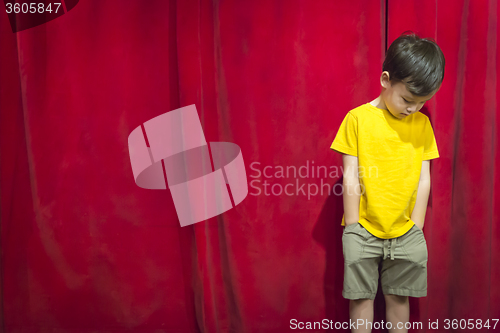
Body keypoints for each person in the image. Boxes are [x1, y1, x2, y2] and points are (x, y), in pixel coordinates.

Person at [330, 31, 445, 333]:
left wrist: (416, 226)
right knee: (361, 296)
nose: (413, 109)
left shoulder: (421, 124)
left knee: (398, 296)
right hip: (364, 229)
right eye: (408, 99)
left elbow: (424, 177)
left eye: (421, 103)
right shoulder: (357, 120)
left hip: (406, 230)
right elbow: (351, 176)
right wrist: (353, 227)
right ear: (385, 80)